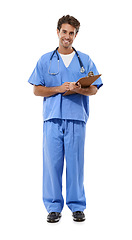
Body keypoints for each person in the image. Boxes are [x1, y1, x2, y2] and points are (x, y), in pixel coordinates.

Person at [28, 15, 103, 223]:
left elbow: (95, 89)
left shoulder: (85, 60)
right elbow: (36, 90)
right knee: (52, 164)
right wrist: (58, 89)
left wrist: (81, 88)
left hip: (76, 119)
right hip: (52, 120)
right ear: (58, 32)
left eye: (71, 33)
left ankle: (77, 206)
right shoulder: (45, 60)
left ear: (76, 35)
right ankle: (53, 207)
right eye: (64, 32)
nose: (67, 36)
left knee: (76, 164)